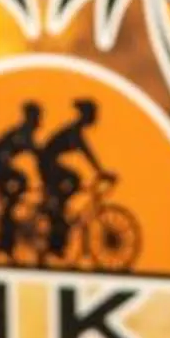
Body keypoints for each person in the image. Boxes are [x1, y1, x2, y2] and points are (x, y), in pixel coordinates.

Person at [38, 99, 113, 263]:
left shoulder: (76, 131)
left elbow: (88, 153)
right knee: (73, 180)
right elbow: (87, 154)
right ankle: (55, 212)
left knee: (73, 181)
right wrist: (101, 172)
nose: (95, 118)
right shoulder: (74, 132)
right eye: (93, 115)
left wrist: (101, 172)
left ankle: (57, 210)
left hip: (50, 162)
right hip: (47, 163)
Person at [0, 102, 45, 261]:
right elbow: (33, 152)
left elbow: (37, 154)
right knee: (16, 188)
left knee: (20, 184)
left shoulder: (26, 133)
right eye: (37, 116)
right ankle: (4, 242)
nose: (40, 120)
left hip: (2, 164)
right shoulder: (22, 133)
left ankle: (8, 216)